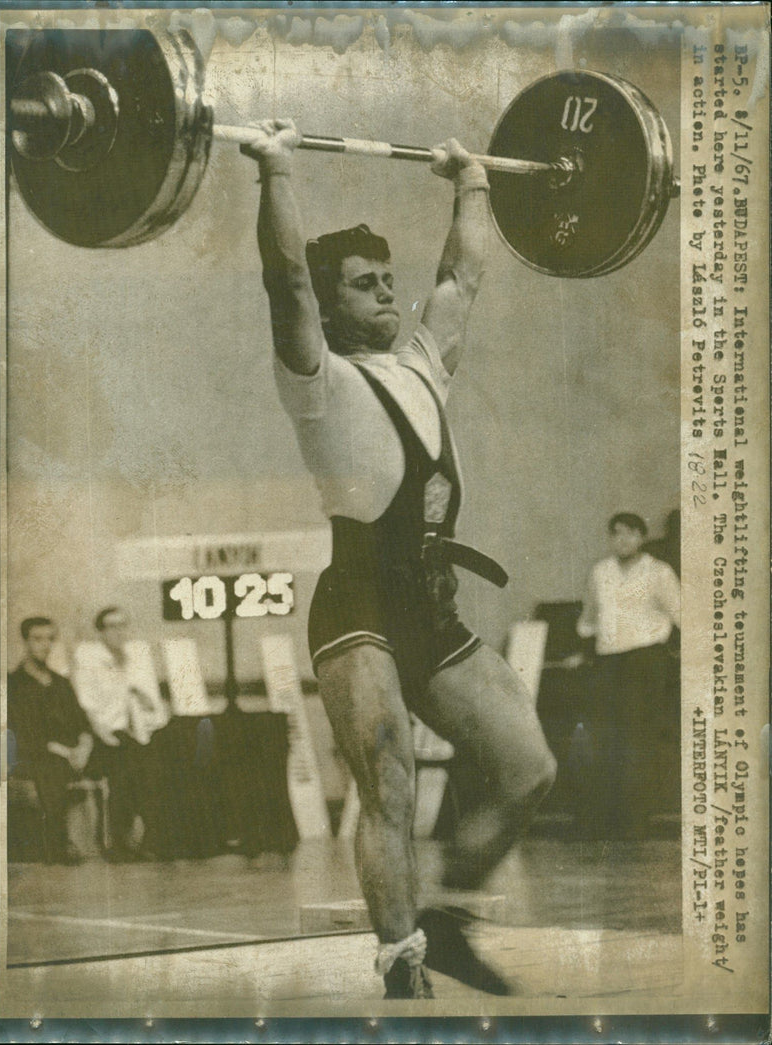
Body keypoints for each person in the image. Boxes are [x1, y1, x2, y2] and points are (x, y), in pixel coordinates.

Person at [242, 119, 557, 999]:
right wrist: (275, 169)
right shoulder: (316, 382)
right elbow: (286, 279)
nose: (386, 292)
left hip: (431, 605)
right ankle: (400, 965)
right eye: (365, 285)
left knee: (529, 766)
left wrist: (472, 182)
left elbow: (461, 276)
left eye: (388, 279)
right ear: (335, 307)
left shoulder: (424, 361)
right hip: (357, 608)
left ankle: (449, 912)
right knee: (388, 773)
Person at [576, 512, 681, 836]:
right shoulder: (600, 572)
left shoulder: (658, 572)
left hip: (646, 661)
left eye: (631, 534)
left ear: (641, 537)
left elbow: (683, 615)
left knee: (638, 739)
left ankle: (635, 821)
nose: (623, 540)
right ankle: (608, 821)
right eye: (617, 534)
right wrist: (584, 646)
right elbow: (589, 618)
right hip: (609, 662)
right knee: (608, 738)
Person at [71, 607, 170, 861]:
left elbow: (152, 704)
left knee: (155, 767)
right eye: (112, 626)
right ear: (101, 632)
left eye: (123, 625)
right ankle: (119, 842)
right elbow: (86, 707)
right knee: (126, 769)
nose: (119, 631)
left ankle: (153, 838)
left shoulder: (136, 659)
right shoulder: (89, 660)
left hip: (136, 734)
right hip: (103, 736)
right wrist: (105, 735)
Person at [8, 617, 94, 864]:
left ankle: (127, 843)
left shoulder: (60, 683)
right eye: (37, 639)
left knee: (125, 757)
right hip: (33, 754)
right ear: (25, 642)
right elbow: (21, 733)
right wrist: (65, 752)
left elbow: (82, 722)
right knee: (51, 768)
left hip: (72, 753)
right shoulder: (14, 684)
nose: (45, 645)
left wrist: (84, 746)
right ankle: (59, 844)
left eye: (49, 639)